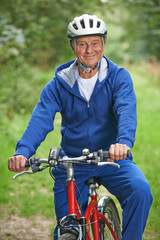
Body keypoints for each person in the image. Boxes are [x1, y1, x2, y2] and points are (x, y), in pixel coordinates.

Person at [8, 14, 153, 240]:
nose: (89, 50)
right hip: (72, 163)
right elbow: (40, 119)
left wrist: (123, 142)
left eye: (95, 43)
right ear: (72, 46)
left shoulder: (118, 78)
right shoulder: (59, 83)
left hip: (112, 159)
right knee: (67, 231)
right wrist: (23, 151)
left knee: (141, 192)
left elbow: (126, 110)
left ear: (103, 44)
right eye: (82, 44)